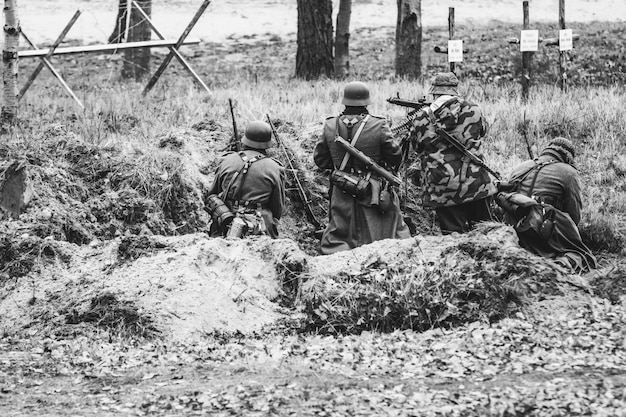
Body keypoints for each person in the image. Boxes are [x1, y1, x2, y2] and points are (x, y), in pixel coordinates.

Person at [314, 81, 411, 255]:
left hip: (341, 188)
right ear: (367, 102)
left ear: (345, 101)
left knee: (339, 229)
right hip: (371, 190)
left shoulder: (330, 125)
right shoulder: (378, 125)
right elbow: (395, 156)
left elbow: (320, 160)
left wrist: (342, 172)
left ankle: (339, 251)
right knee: (390, 231)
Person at [407, 72, 497, 234]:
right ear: (455, 90)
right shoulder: (473, 109)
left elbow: (417, 148)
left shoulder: (421, 118)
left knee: (454, 240)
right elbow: (482, 131)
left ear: (434, 92)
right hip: (477, 184)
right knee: (487, 234)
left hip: (443, 189)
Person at [496, 137, 597, 272]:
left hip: (513, 228)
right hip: (542, 231)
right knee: (583, 256)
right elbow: (574, 216)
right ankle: (556, 269)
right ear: (568, 157)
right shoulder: (568, 172)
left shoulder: (522, 167)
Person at [205, 120, 285, 238]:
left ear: (244, 140)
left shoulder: (227, 160)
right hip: (260, 227)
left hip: (226, 221)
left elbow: (212, 194)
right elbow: (277, 208)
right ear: (268, 144)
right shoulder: (275, 168)